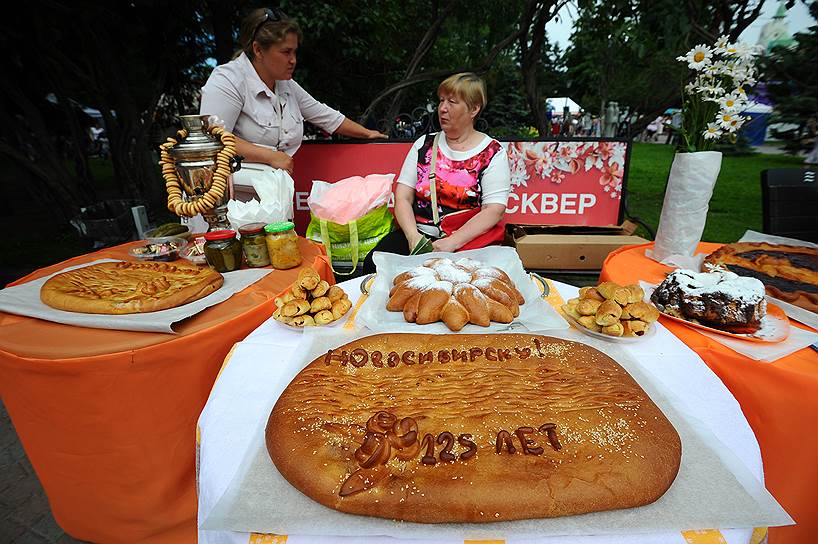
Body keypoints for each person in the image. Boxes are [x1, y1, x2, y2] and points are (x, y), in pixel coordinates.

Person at [199, 7, 386, 175]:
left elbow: (325, 116)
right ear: (258, 50)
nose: (293, 60)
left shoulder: (285, 84)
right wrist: (270, 156)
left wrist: (367, 134)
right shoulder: (227, 80)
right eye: (286, 52)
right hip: (227, 199)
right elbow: (212, 139)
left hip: (272, 194)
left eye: (295, 52)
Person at [361, 73, 511, 274]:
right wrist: (413, 237)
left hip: (467, 242)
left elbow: (494, 210)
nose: (443, 108)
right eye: (441, 101)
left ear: (474, 109)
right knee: (374, 264)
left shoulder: (493, 152)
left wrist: (451, 243)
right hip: (419, 235)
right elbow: (403, 197)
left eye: (452, 102)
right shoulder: (424, 145)